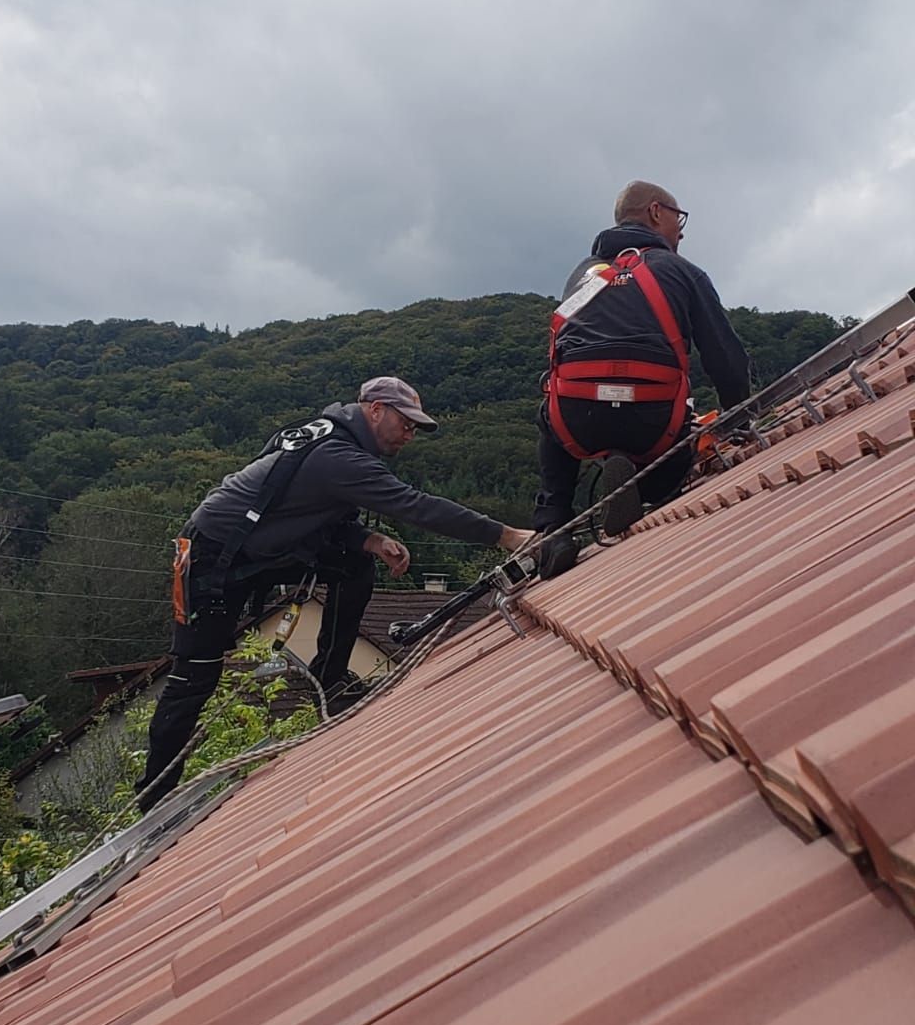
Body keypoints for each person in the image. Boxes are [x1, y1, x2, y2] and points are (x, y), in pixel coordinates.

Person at [137, 376, 530, 809]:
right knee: (194, 678)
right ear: (376, 409)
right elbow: (415, 505)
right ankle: (155, 795)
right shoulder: (338, 456)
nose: (409, 434)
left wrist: (369, 541)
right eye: (406, 422)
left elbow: (305, 509)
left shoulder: (327, 438)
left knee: (354, 566)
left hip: (255, 551)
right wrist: (507, 536)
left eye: (415, 427)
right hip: (210, 561)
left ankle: (329, 682)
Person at [534, 180, 751, 577]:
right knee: (674, 444)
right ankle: (651, 492)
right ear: (655, 213)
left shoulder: (582, 275)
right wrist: (741, 420)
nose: (681, 229)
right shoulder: (683, 272)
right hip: (653, 423)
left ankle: (554, 528)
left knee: (550, 409)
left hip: (578, 421)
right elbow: (725, 358)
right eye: (677, 217)